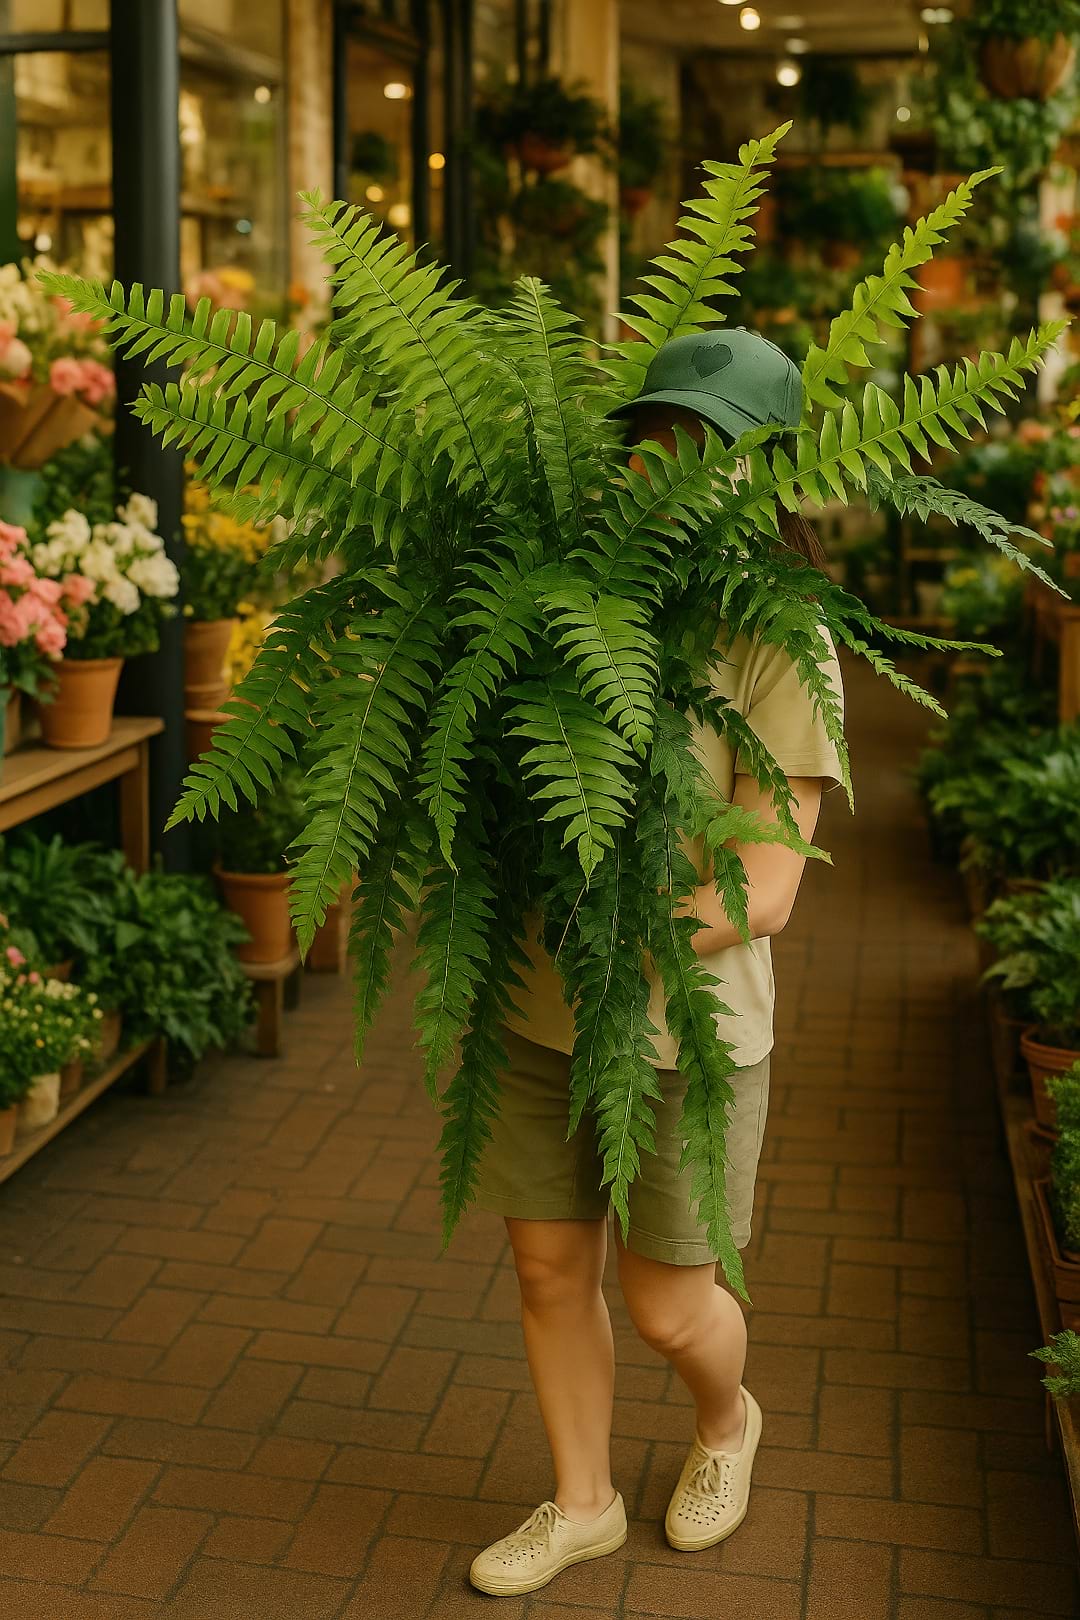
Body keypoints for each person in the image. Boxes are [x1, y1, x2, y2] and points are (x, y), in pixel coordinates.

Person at [467, 329, 846, 1599]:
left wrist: (618, 945)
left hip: (688, 1026)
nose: (672, 465)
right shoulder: (566, 596)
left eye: (707, 444)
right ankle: (582, 1504)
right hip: (538, 1002)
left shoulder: (782, 638)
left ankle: (727, 1423)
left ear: (766, 470)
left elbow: (769, 887)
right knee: (546, 1268)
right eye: (656, 438)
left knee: (670, 1303)